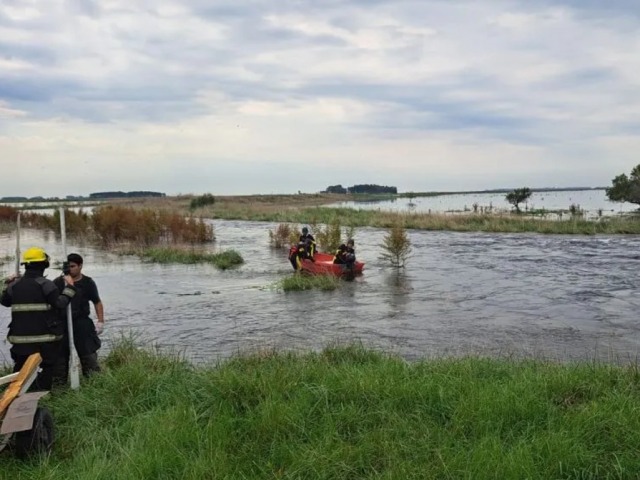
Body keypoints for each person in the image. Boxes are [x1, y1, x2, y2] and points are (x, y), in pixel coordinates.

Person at [0, 247, 76, 391]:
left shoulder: (15, 286)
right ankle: (41, 396)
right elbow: (60, 303)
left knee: (21, 372)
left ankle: (16, 395)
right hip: (44, 342)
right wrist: (70, 288)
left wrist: (7, 284)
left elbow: (4, 301)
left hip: (20, 343)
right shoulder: (46, 285)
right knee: (44, 371)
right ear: (44, 265)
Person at [53, 253, 104, 379]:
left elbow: (97, 302)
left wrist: (101, 321)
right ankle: (59, 387)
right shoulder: (58, 282)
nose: (70, 269)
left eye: (73, 266)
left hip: (82, 323)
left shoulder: (88, 282)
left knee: (89, 356)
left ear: (80, 266)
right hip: (62, 324)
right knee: (60, 358)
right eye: (68, 266)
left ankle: (93, 382)